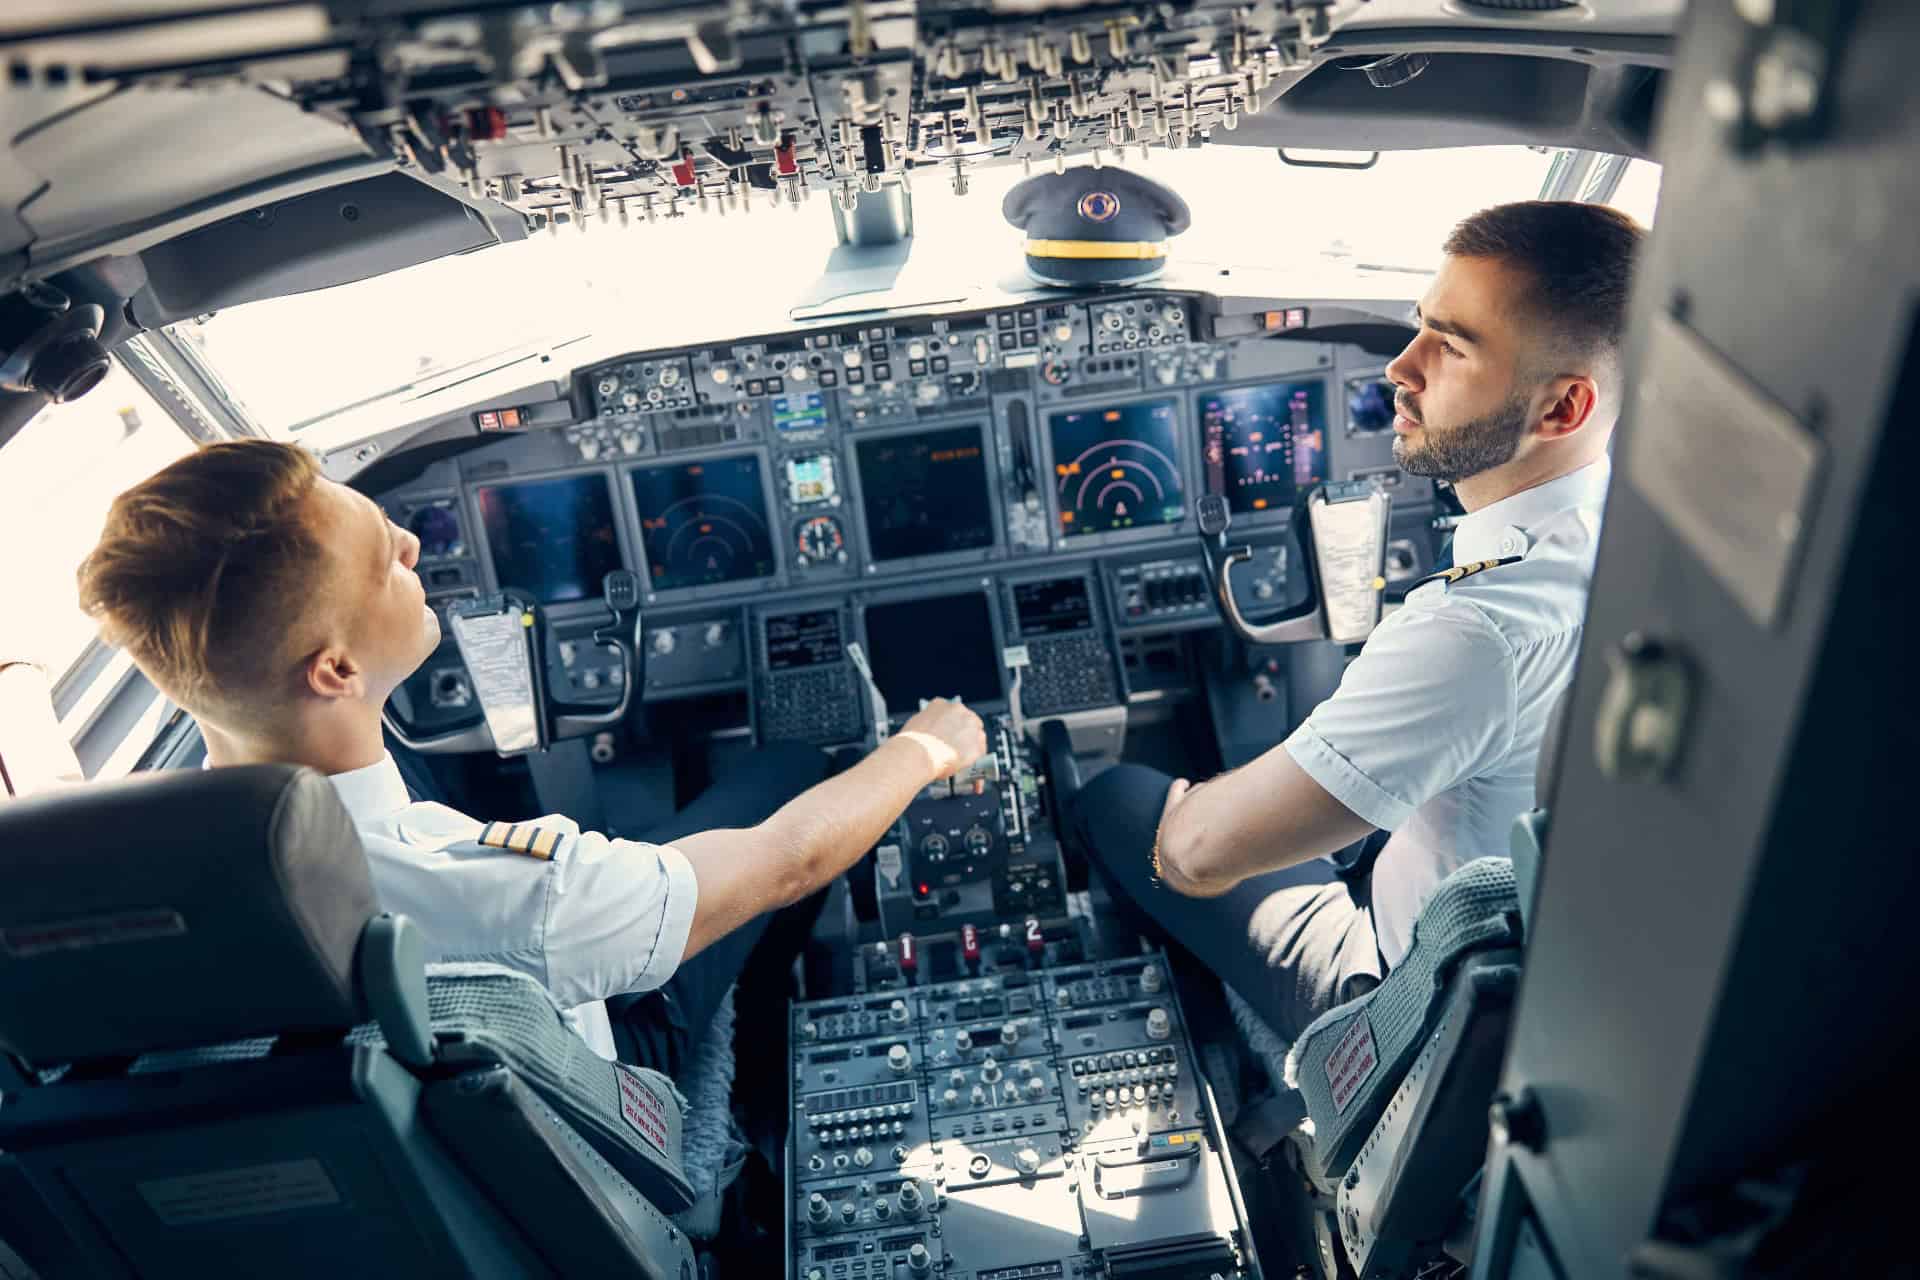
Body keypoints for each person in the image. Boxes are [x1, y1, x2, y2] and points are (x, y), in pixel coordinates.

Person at [75, 440, 987, 1069]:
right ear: (335, 669)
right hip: (604, 1073)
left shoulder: (123, 891)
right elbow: (792, 861)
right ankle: (753, 1067)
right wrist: (921, 746)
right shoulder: (516, 895)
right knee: (791, 771)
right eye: (383, 559)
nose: (411, 540)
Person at [1073, 200, 1644, 1041]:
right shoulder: (1649, 540)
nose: (1399, 369)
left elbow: (1196, 858)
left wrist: (1204, 807)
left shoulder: (1472, 630)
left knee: (1123, 803)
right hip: (1565, 971)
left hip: (1417, 1014)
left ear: (1563, 409)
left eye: (1450, 347)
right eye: (1418, 327)